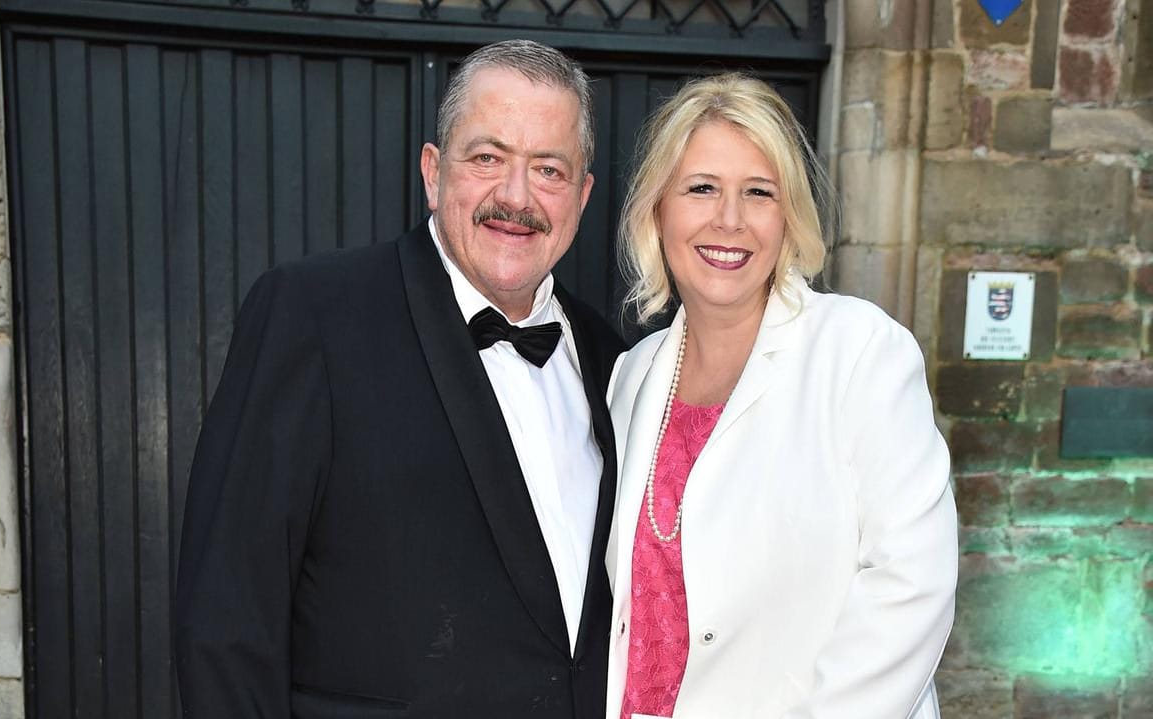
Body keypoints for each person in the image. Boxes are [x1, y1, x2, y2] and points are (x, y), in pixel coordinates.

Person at [176, 40, 626, 718]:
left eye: (549, 169)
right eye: (487, 157)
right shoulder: (313, 316)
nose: (516, 195)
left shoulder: (609, 357)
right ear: (433, 172)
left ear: (583, 194)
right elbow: (226, 618)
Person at [603, 73, 958, 718]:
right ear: (658, 209)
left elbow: (912, 586)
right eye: (701, 188)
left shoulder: (860, 352)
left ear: (788, 214)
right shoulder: (633, 376)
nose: (729, 220)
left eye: (758, 193)